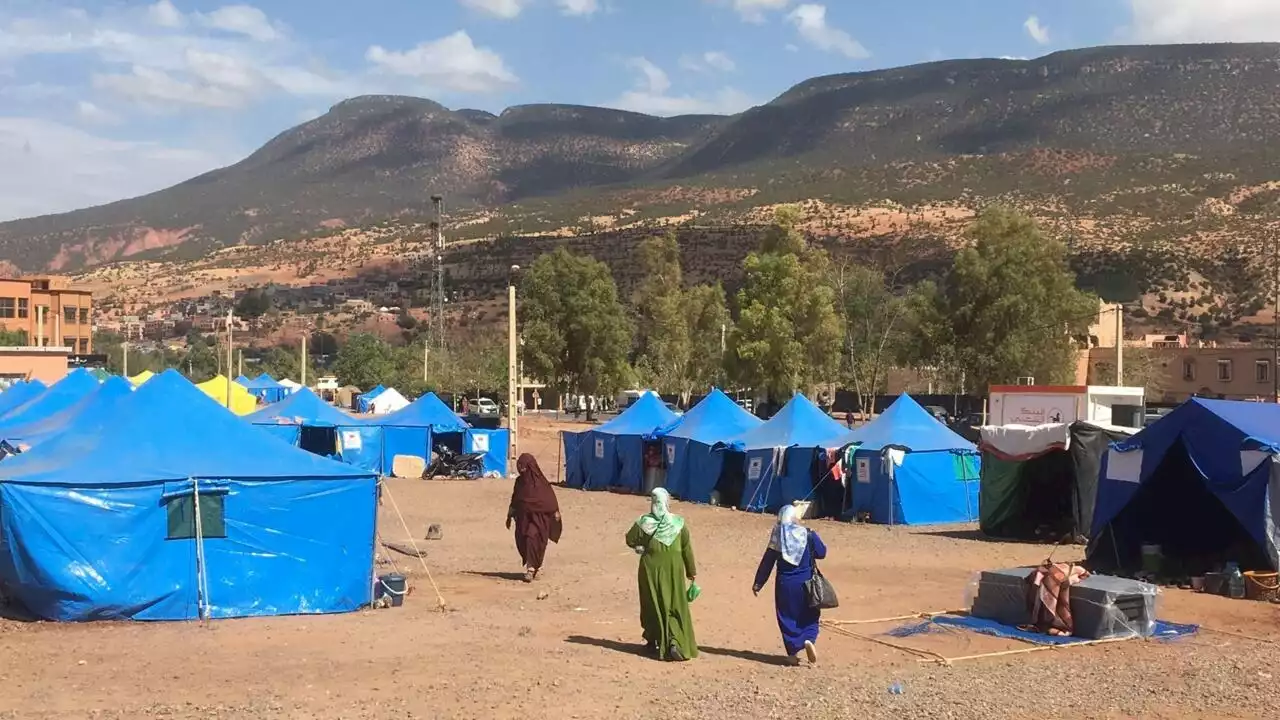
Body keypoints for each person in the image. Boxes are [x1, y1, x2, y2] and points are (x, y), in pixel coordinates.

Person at [625, 488, 698, 661]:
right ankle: (675, 642)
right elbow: (686, 549)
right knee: (674, 603)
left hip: (650, 570)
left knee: (652, 602)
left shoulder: (644, 523)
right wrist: (691, 572)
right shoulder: (678, 524)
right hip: (674, 570)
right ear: (667, 502)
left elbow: (630, 539)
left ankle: (653, 640)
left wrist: (640, 547)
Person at [753, 505, 828, 665]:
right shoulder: (808, 534)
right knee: (810, 614)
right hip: (807, 583)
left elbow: (768, 561)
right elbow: (822, 553)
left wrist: (759, 583)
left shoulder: (777, 536)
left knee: (787, 616)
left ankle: (793, 652)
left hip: (785, 584)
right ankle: (809, 639)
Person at [506, 454, 562, 582]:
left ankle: (531, 569)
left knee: (533, 538)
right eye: (519, 466)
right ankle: (536, 566)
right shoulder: (519, 482)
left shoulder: (541, 482)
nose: (521, 469)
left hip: (540, 519)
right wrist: (509, 515)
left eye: (523, 466)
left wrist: (555, 512)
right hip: (523, 518)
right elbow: (515, 499)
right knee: (525, 539)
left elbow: (549, 498)